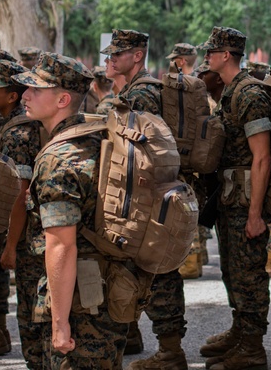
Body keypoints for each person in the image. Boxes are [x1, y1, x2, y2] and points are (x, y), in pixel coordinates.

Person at [12, 53, 127, 370]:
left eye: (35, 89)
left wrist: (60, 324)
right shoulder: (97, 138)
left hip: (79, 300)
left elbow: (62, 244)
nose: (25, 95)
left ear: (63, 99)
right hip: (110, 290)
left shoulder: (61, 158)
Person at [98, 29, 189, 370]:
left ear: (137, 56)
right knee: (136, 267)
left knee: (156, 270)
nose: (109, 60)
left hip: (149, 197)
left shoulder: (142, 96)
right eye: (109, 55)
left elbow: (141, 153)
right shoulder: (136, 90)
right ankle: (133, 335)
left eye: (116, 54)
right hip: (150, 193)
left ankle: (170, 352)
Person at [198, 27, 271, 370]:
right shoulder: (230, 92)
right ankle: (240, 332)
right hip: (230, 199)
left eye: (211, 52)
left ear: (226, 54)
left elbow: (262, 157)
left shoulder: (249, 94)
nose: (207, 57)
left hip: (246, 201)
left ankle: (252, 348)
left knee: (249, 274)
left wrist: (256, 214)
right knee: (232, 270)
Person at [0, 59, 45, 368]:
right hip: (29, 231)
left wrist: (10, 245)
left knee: (32, 315)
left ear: (13, 95)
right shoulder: (10, 122)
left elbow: (21, 194)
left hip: (30, 235)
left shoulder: (18, 133)